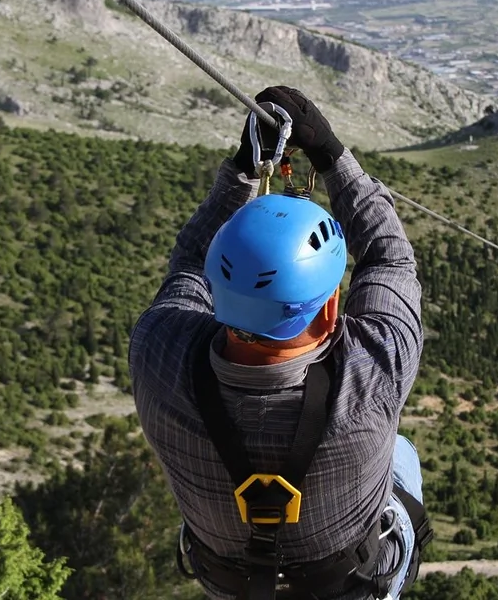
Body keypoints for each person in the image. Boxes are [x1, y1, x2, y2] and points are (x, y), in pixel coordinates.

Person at [129, 85, 430, 600]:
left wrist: (246, 170)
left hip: (231, 581)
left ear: (216, 289)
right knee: (401, 451)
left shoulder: (159, 352)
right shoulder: (372, 375)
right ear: (333, 306)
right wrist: (332, 156)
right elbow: (389, 259)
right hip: (350, 583)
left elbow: (187, 264)